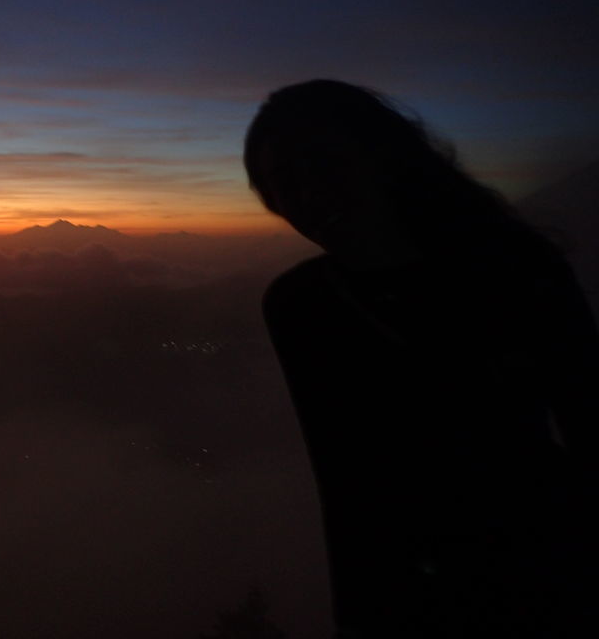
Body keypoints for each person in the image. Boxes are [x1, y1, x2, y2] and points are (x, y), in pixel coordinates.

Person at [245, 79, 599, 638]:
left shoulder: (515, 270)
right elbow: (346, 488)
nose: (308, 195)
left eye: (325, 163)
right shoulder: (301, 306)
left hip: (549, 570)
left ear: (381, 157)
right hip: (417, 593)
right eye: (284, 182)